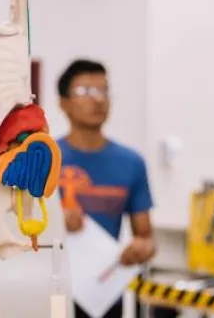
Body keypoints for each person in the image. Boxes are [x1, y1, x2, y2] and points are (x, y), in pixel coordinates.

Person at [56, 59, 156, 318]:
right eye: (85, 92)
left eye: (104, 90)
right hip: (50, 290)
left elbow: (146, 237)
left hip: (103, 292)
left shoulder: (131, 163)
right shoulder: (44, 159)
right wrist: (56, 223)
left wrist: (141, 249)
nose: (98, 100)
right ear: (63, 102)